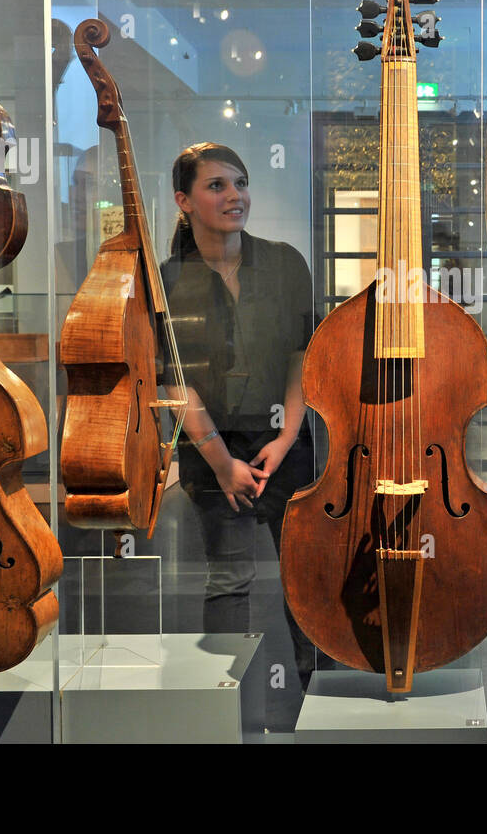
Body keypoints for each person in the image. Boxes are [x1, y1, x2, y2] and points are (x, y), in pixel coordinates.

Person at [161, 141, 318, 689]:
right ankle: (225, 705)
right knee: (228, 577)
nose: (235, 196)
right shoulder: (165, 280)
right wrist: (223, 463)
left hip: (286, 446)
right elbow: (175, 382)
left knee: (304, 578)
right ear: (184, 200)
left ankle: (314, 692)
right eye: (217, 186)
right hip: (210, 450)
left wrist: (288, 435)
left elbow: (303, 358)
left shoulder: (284, 262)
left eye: (241, 182)